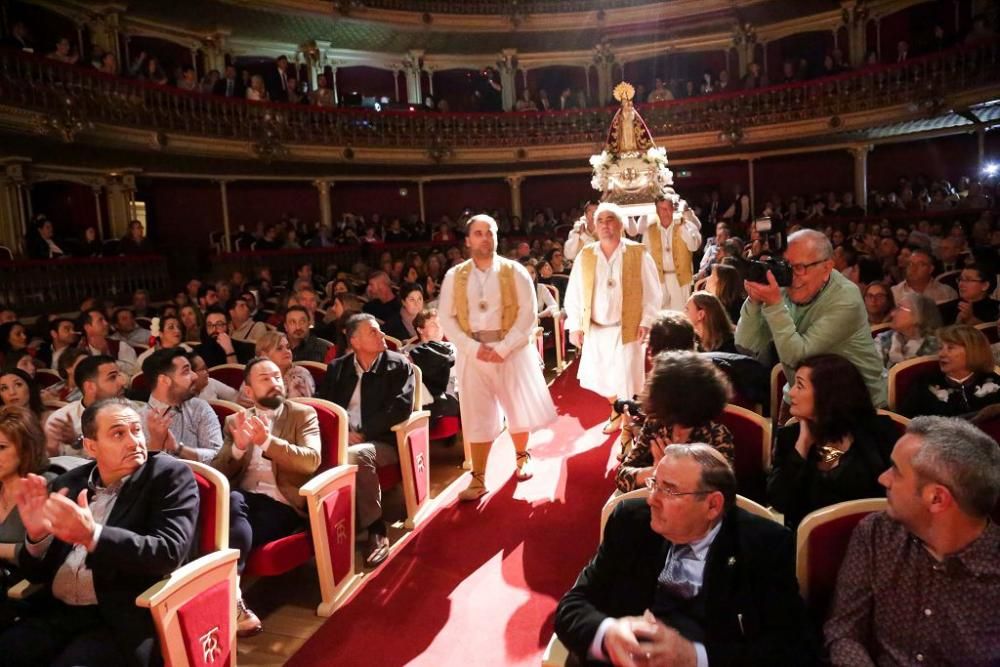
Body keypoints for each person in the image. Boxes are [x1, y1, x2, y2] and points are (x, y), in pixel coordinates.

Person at [556, 444, 816, 665]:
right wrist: (608, 633)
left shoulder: (763, 545)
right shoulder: (631, 522)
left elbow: (791, 649)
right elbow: (572, 606)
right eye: (653, 484)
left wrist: (696, 657)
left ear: (713, 505)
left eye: (669, 490)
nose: (651, 499)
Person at [0, 397, 198, 666]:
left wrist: (92, 535)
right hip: (55, 613)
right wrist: (37, 538)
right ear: (91, 446)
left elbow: (167, 552)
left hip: (118, 617)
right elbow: (36, 574)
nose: (134, 441)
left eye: (137, 430)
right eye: (118, 433)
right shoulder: (69, 482)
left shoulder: (168, 476)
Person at [825, 416, 1000, 666]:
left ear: (937, 499)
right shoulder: (877, 534)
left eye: (896, 470)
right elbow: (844, 632)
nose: (883, 479)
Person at [437, 214, 557, 500]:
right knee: (477, 414)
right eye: (478, 233)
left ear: (496, 236)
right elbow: (446, 317)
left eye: (489, 233)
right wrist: (471, 347)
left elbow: (528, 314)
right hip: (472, 354)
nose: (484, 238)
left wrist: (504, 347)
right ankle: (478, 477)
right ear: (468, 240)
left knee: (517, 407)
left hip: (510, 351)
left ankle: (521, 456)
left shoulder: (514, 271)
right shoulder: (455, 276)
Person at [212, 357, 321, 636]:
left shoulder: (302, 414)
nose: (274, 383)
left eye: (276, 377)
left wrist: (267, 442)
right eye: (265, 379)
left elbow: (311, 461)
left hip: (282, 504)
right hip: (243, 501)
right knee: (232, 501)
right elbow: (217, 472)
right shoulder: (235, 421)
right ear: (248, 391)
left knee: (221, 525)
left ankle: (219, 601)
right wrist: (236, 448)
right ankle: (234, 600)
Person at [736, 229, 886, 419]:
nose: (791, 277)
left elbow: (798, 358)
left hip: (855, 406)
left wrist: (774, 305)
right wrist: (754, 302)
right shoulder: (783, 286)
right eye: (787, 266)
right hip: (800, 398)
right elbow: (746, 345)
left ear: (826, 269)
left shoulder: (847, 298)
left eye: (799, 268)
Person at [318, 314, 414, 565]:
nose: (382, 335)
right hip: (343, 437)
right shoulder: (338, 368)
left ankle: (376, 528)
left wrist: (363, 432)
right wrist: (341, 433)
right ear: (355, 341)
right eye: (373, 332)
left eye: (380, 331)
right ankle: (318, 529)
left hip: (383, 441)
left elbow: (401, 408)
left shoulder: (398, 364)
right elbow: (323, 406)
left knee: (358, 455)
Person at [767, 354, 896, 530]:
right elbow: (779, 501)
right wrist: (803, 444)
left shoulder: (878, 431)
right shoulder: (790, 437)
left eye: (800, 385)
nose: (791, 393)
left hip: (873, 534)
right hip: (813, 542)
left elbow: (894, 493)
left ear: (826, 393)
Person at [565, 202, 662, 434]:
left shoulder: (638, 253)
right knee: (603, 378)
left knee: (627, 378)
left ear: (620, 225)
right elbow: (574, 293)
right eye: (600, 221)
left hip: (626, 328)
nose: (606, 225)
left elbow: (652, 291)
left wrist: (646, 320)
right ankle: (616, 410)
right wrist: (575, 326)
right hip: (596, 328)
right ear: (594, 226)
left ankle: (628, 429)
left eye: (610, 220)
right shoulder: (586, 255)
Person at [616, 352, 734, 493]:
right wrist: (655, 470)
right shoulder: (656, 424)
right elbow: (621, 476)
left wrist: (673, 472)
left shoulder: (717, 436)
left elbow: (718, 496)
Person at [0, 406, 48, 621]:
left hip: (27, 595)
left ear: (26, 448)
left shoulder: (45, 487)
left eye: (1, 447)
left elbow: (47, 555)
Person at [139, 349, 223, 463]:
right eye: (186, 371)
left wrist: (178, 449)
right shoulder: (136, 420)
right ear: (164, 380)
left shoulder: (199, 408)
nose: (194, 376)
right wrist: (155, 445)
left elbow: (219, 457)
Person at [899, 324, 1000, 418]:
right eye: (940, 348)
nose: (941, 354)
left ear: (972, 351)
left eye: (950, 348)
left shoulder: (995, 381)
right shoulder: (924, 385)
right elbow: (906, 424)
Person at [44, 355, 126, 457]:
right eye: (112, 377)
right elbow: (54, 462)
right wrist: (53, 451)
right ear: (90, 387)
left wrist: (77, 441)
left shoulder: (134, 412)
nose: (122, 382)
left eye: (120, 375)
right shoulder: (61, 419)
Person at [638, 191, 703, 311]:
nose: (666, 212)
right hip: (660, 279)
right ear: (657, 211)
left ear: (673, 209)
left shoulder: (686, 225)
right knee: (662, 315)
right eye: (662, 209)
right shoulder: (650, 230)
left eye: (668, 208)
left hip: (680, 280)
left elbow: (694, 246)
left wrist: (681, 226)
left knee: (681, 313)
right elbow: (645, 256)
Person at [408, 308, 459, 420]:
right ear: (420, 330)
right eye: (433, 324)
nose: (439, 327)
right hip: (430, 399)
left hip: (456, 393)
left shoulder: (452, 347)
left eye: (440, 323)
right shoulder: (411, 352)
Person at [873, 293, 941, 370]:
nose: (892, 314)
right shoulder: (883, 339)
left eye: (899, 308)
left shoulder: (936, 346)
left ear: (918, 315)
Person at [77, 308, 138, 377]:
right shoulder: (81, 351)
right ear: (88, 328)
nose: (106, 323)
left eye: (105, 320)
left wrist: (105, 363)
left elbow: (133, 370)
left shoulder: (120, 345)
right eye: (100, 320)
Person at [253, 331, 314, 399]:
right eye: (279, 348)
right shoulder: (254, 375)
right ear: (264, 355)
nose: (287, 351)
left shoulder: (300, 375)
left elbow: (296, 408)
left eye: (288, 347)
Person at [891, 247, 958, 305]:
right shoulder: (894, 293)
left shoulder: (948, 293)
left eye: (921, 264)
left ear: (931, 269)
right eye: (910, 264)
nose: (914, 268)